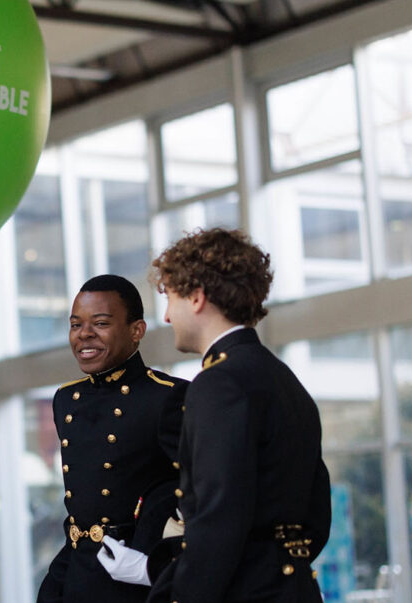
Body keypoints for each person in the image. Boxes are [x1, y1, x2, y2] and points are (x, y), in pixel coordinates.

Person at [147, 228, 331, 603]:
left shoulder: (219, 384)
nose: (166, 317)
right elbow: (316, 515)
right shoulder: (285, 381)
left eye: (171, 299)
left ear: (197, 297)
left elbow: (218, 518)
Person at [35, 275, 187, 603]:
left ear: (137, 331)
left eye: (100, 323)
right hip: (75, 572)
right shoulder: (66, 399)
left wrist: (158, 565)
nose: (85, 334)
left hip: (133, 578)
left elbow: (198, 493)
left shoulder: (168, 398)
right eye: (76, 325)